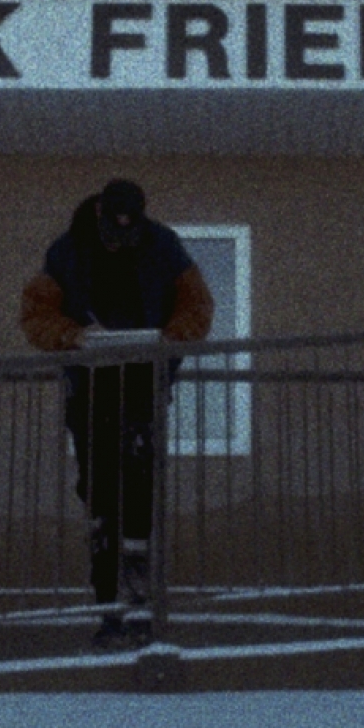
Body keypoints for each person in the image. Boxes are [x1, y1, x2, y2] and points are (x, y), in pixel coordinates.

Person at [20, 178, 214, 643]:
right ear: (99, 216)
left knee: (141, 492)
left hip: (145, 385)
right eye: (112, 231)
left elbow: (197, 305)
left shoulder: (164, 246)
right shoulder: (67, 251)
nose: (119, 241)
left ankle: (141, 602)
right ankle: (109, 607)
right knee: (101, 497)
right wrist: (74, 336)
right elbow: (36, 315)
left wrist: (171, 339)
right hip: (91, 389)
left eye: (129, 233)